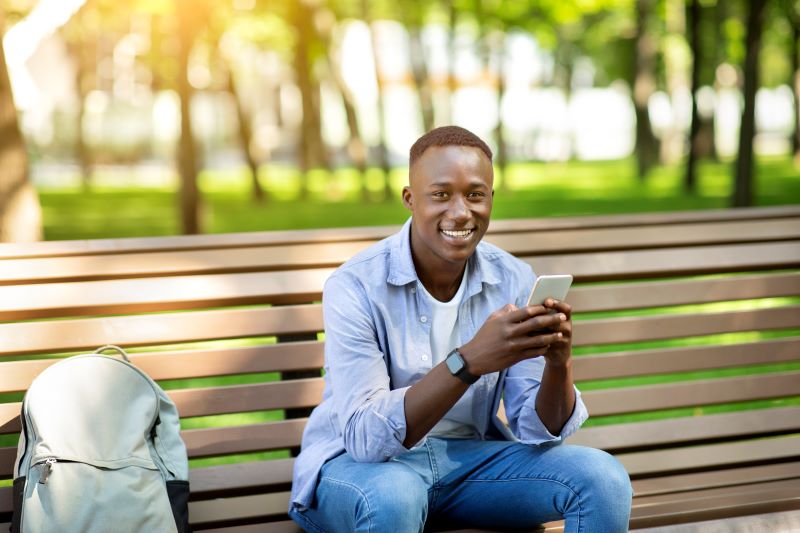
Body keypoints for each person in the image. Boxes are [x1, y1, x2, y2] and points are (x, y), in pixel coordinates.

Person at [289, 125, 633, 533]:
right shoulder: (356, 286)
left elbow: (538, 432)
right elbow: (365, 440)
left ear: (490, 199)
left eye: (475, 194)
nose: (460, 211)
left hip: (469, 465)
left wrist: (559, 364)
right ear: (410, 199)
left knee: (603, 480)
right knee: (396, 497)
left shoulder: (513, 278)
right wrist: (468, 362)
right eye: (440, 194)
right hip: (364, 470)